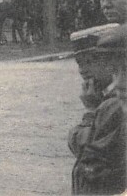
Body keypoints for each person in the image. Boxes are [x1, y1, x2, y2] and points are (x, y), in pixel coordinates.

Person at [67, 24, 126, 194]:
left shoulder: (113, 104)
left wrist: (90, 111)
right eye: (79, 63)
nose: (83, 70)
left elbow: (85, 151)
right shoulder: (107, 99)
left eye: (90, 61)